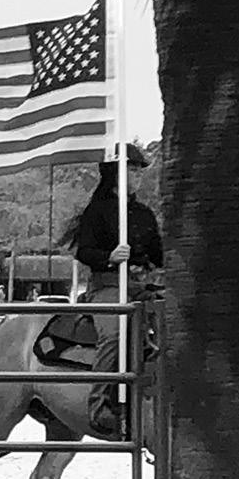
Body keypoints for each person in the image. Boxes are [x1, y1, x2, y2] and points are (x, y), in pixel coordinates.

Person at [61, 143, 163, 439]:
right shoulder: (97, 211)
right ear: (115, 173)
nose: (138, 175)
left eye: (139, 171)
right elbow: (84, 252)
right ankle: (99, 403)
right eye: (132, 170)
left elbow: (158, 254)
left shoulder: (144, 214)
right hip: (106, 285)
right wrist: (110, 257)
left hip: (141, 286)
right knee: (115, 333)